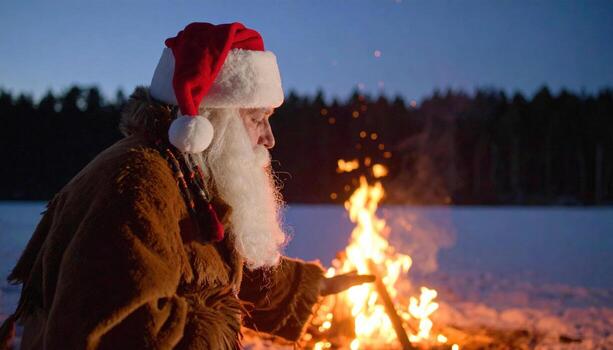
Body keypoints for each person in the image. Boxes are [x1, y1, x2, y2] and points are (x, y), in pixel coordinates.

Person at [0, 22, 374, 349]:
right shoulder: (137, 185)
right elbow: (114, 331)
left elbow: (208, 260)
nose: (270, 138)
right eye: (259, 119)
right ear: (213, 120)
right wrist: (217, 326)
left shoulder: (184, 173)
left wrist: (303, 290)